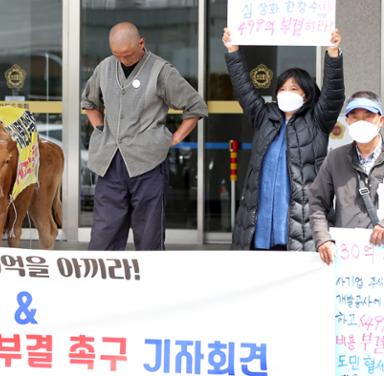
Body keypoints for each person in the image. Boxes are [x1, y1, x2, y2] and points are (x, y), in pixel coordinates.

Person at [81, 22, 207, 250]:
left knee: (149, 235)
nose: (122, 61)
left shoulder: (161, 71)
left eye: (127, 55)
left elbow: (196, 106)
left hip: (148, 164)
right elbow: (89, 102)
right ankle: (101, 284)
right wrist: (100, 128)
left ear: (141, 43)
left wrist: (175, 138)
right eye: (117, 55)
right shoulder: (105, 67)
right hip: (109, 163)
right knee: (103, 235)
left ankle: (150, 282)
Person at [222, 28, 345, 251]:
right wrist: (233, 52)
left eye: (294, 88)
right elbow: (244, 90)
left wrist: (333, 53)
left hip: (301, 225)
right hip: (257, 223)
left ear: (306, 94)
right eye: (282, 88)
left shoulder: (317, 120)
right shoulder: (264, 116)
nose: (286, 92)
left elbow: (333, 94)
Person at [310, 92, 384, 264]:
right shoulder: (335, 158)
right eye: (355, 117)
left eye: (368, 117)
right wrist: (323, 238)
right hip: (348, 256)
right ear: (348, 121)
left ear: (381, 121)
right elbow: (317, 202)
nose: (361, 122)